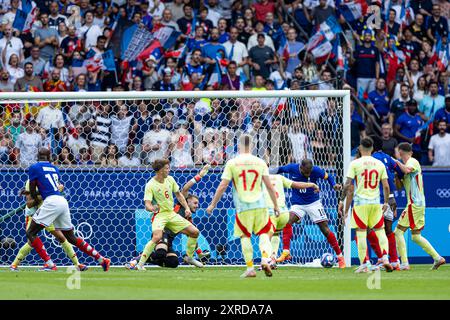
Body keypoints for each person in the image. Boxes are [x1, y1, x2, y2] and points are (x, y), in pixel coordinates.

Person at [206, 134, 281, 278]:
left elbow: (222, 186)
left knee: (244, 236)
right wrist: (276, 206)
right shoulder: (260, 162)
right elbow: (269, 186)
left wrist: (212, 204)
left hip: (243, 207)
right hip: (261, 205)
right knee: (264, 233)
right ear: (252, 146)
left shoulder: (232, 163)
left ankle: (250, 268)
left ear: (239, 145)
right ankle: (265, 259)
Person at [24, 148, 111, 271]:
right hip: (62, 201)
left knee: (30, 233)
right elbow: (53, 186)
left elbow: (33, 190)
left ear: (38, 156)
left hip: (51, 202)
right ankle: (102, 259)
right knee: (71, 237)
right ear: (50, 157)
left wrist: (32, 197)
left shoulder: (34, 167)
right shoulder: (54, 168)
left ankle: (50, 264)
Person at [125, 165, 210, 269]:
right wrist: (199, 175)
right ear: (187, 201)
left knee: (173, 262)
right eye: (195, 203)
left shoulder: (187, 218)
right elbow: (185, 188)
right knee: (161, 253)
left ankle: (145, 259)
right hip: (162, 232)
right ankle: (136, 261)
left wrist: (199, 253)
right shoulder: (179, 206)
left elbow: (191, 238)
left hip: (170, 240)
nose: (197, 206)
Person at [272, 159, 345, 268]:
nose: (308, 175)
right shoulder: (292, 168)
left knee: (325, 229)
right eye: (306, 172)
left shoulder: (316, 170)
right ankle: (286, 252)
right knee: (287, 221)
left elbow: (328, 177)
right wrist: (267, 172)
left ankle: (340, 257)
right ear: (300, 167)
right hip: (298, 204)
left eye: (309, 173)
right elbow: (280, 169)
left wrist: (333, 185)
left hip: (314, 203)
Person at [339, 137, 393, 273]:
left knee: (361, 233)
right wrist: (386, 202)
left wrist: (342, 201)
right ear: (372, 149)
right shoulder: (379, 164)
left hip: (360, 204)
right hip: (376, 203)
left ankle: (365, 264)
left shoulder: (355, 164)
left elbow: (348, 185)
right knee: (380, 231)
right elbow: (386, 186)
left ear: (360, 148)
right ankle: (385, 258)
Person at [10, 180, 87, 272]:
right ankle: (15, 265)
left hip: (47, 213)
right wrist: (46, 194)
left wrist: (57, 192)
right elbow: (29, 204)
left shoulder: (51, 180)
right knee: (31, 241)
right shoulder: (30, 182)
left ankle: (77, 264)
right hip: (32, 215)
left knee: (61, 237)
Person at [393, 143, 446, 270]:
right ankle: (438, 258)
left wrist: (394, 162)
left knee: (398, 232)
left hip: (414, 204)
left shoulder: (412, 161)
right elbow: (399, 186)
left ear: (400, 152)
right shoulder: (405, 165)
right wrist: (396, 176)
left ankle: (404, 263)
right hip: (418, 204)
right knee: (416, 236)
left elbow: (406, 170)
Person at [263, 173, 320, 267]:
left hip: (270, 211)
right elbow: (297, 185)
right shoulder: (279, 177)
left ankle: (265, 261)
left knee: (265, 237)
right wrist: (312, 184)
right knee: (276, 234)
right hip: (284, 213)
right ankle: (272, 259)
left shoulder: (259, 178)